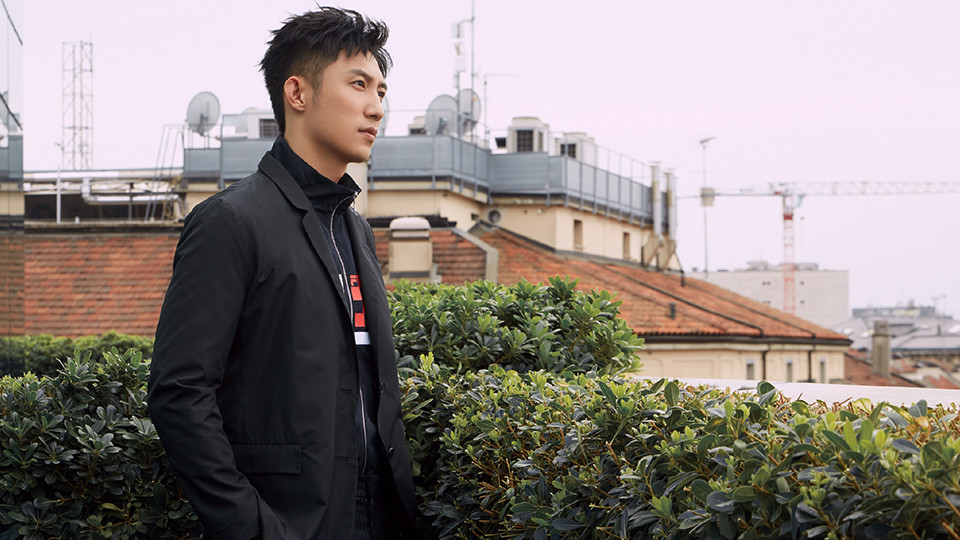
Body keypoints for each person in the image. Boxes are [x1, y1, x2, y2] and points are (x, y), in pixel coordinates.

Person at [147, 7, 417, 540]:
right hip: (288, 525)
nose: (376, 107)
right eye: (358, 84)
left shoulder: (357, 232)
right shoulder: (231, 221)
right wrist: (252, 528)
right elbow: (179, 393)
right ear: (297, 93)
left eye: (381, 91)